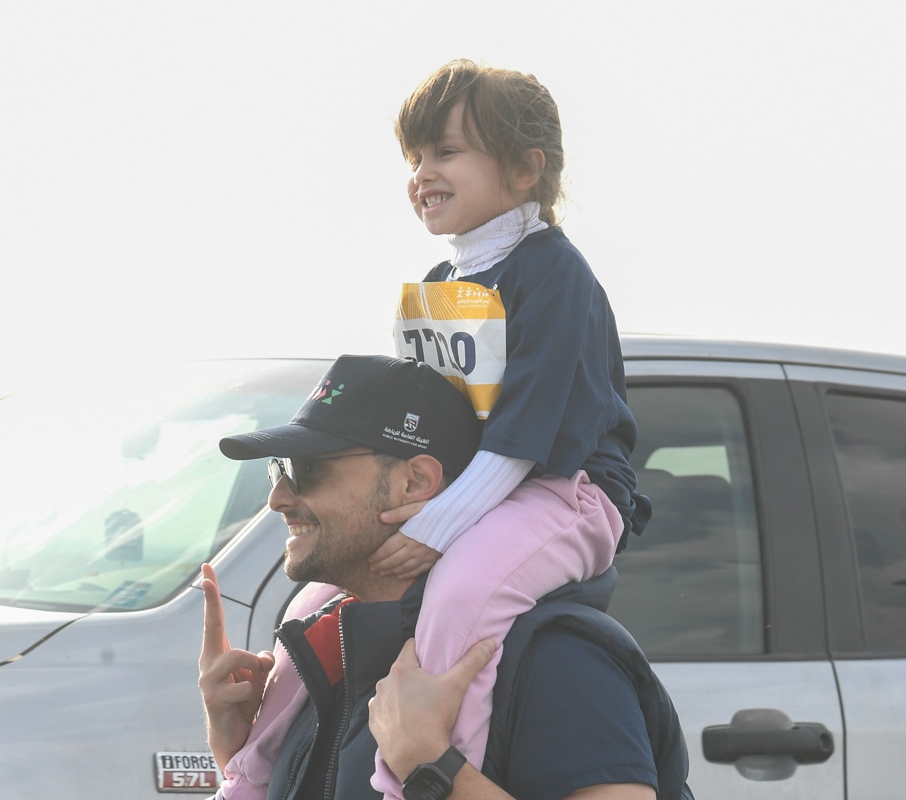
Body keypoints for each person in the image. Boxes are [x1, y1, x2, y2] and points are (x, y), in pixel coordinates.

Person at [234, 60, 653, 800]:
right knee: (312, 608)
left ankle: (416, 774)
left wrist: (436, 525)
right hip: (476, 494)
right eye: (415, 157)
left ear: (525, 168)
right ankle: (248, 773)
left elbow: (523, 436)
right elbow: (423, 430)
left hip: (568, 490)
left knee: (461, 592)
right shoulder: (439, 283)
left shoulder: (555, 273)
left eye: (447, 152)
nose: (423, 173)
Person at [199, 354, 693, 800]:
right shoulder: (325, 659)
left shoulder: (553, 658)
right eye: (279, 469)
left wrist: (431, 767)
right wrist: (239, 756)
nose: (279, 498)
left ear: (415, 482)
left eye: (308, 468)